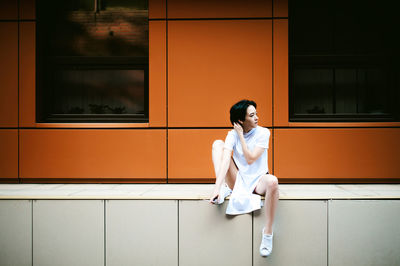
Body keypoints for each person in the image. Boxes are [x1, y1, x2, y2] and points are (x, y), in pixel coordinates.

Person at [209, 99, 279, 257]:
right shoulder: (231, 135)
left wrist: (240, 135)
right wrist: (216, 188)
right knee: (218, 144)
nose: (257, 118)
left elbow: (250, 159)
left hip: (259, 180)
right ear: (240, 120)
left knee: (273, 182)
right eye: (252, 115)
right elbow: (226, 160)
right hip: (239, 180)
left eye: (256, 114)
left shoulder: (263, 133)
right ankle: (222, 189)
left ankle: (268, 232)